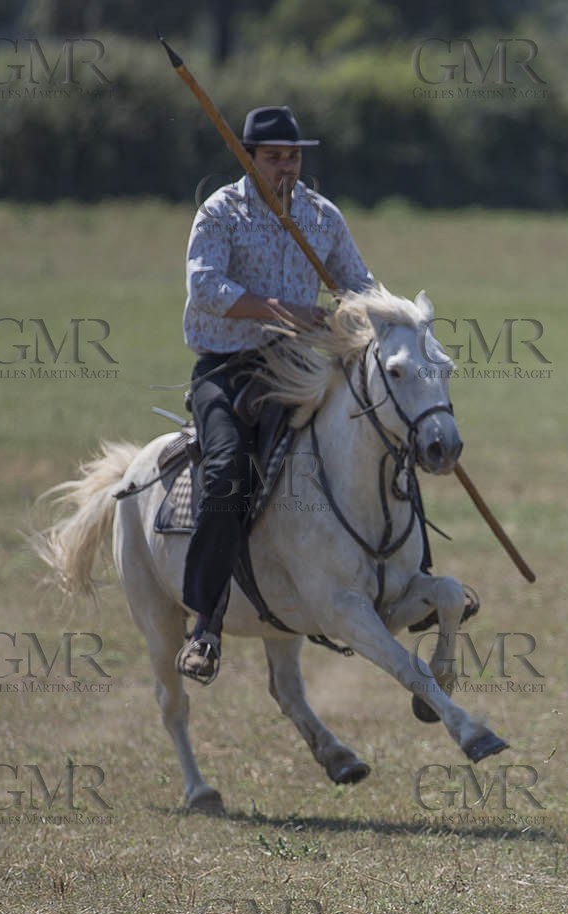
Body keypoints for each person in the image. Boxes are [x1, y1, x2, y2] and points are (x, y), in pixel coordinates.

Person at [177, 105, 374, 684]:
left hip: (300, 367)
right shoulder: (221, 212)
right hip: (227, 368)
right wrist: (280, 310)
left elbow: (358, 283)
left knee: (379, 438)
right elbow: (204, 286)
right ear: (248, 158)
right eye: (273, 158)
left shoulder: (320, 216)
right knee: (226, 472)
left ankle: (403, 578)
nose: (286, 167)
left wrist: (378, 316)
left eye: (293, 157)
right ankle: (206, 625)